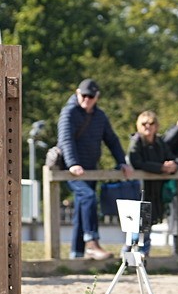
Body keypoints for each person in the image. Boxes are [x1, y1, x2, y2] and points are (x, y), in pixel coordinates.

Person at [57, 78, 133, 260]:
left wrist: (122, 162)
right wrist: (73, 164)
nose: (87, 99)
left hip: (90, 169)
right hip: (71, 169)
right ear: (77, 93)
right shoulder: (69, 112)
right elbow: (66, 139)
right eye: (83, 95)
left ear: (97, 97)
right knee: (88, 197)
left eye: (90, 96)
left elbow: (112, 140)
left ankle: (76, 254)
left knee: (82, 207)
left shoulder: (100, 115)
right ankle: (92, 242)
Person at [127, 110, 178, 255]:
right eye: (144, 123)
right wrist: (160, 168)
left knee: (147, 225)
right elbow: (136, 162)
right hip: (140, 189)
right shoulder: (136, 141)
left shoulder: (160, 142)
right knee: (138, 227)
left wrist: (173, 165)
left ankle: (142, 257)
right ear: (139, 125)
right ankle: (129, 257)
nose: (148, 126)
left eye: (151, 123)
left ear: (156, 125)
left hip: (156, 191)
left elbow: (172, 157)